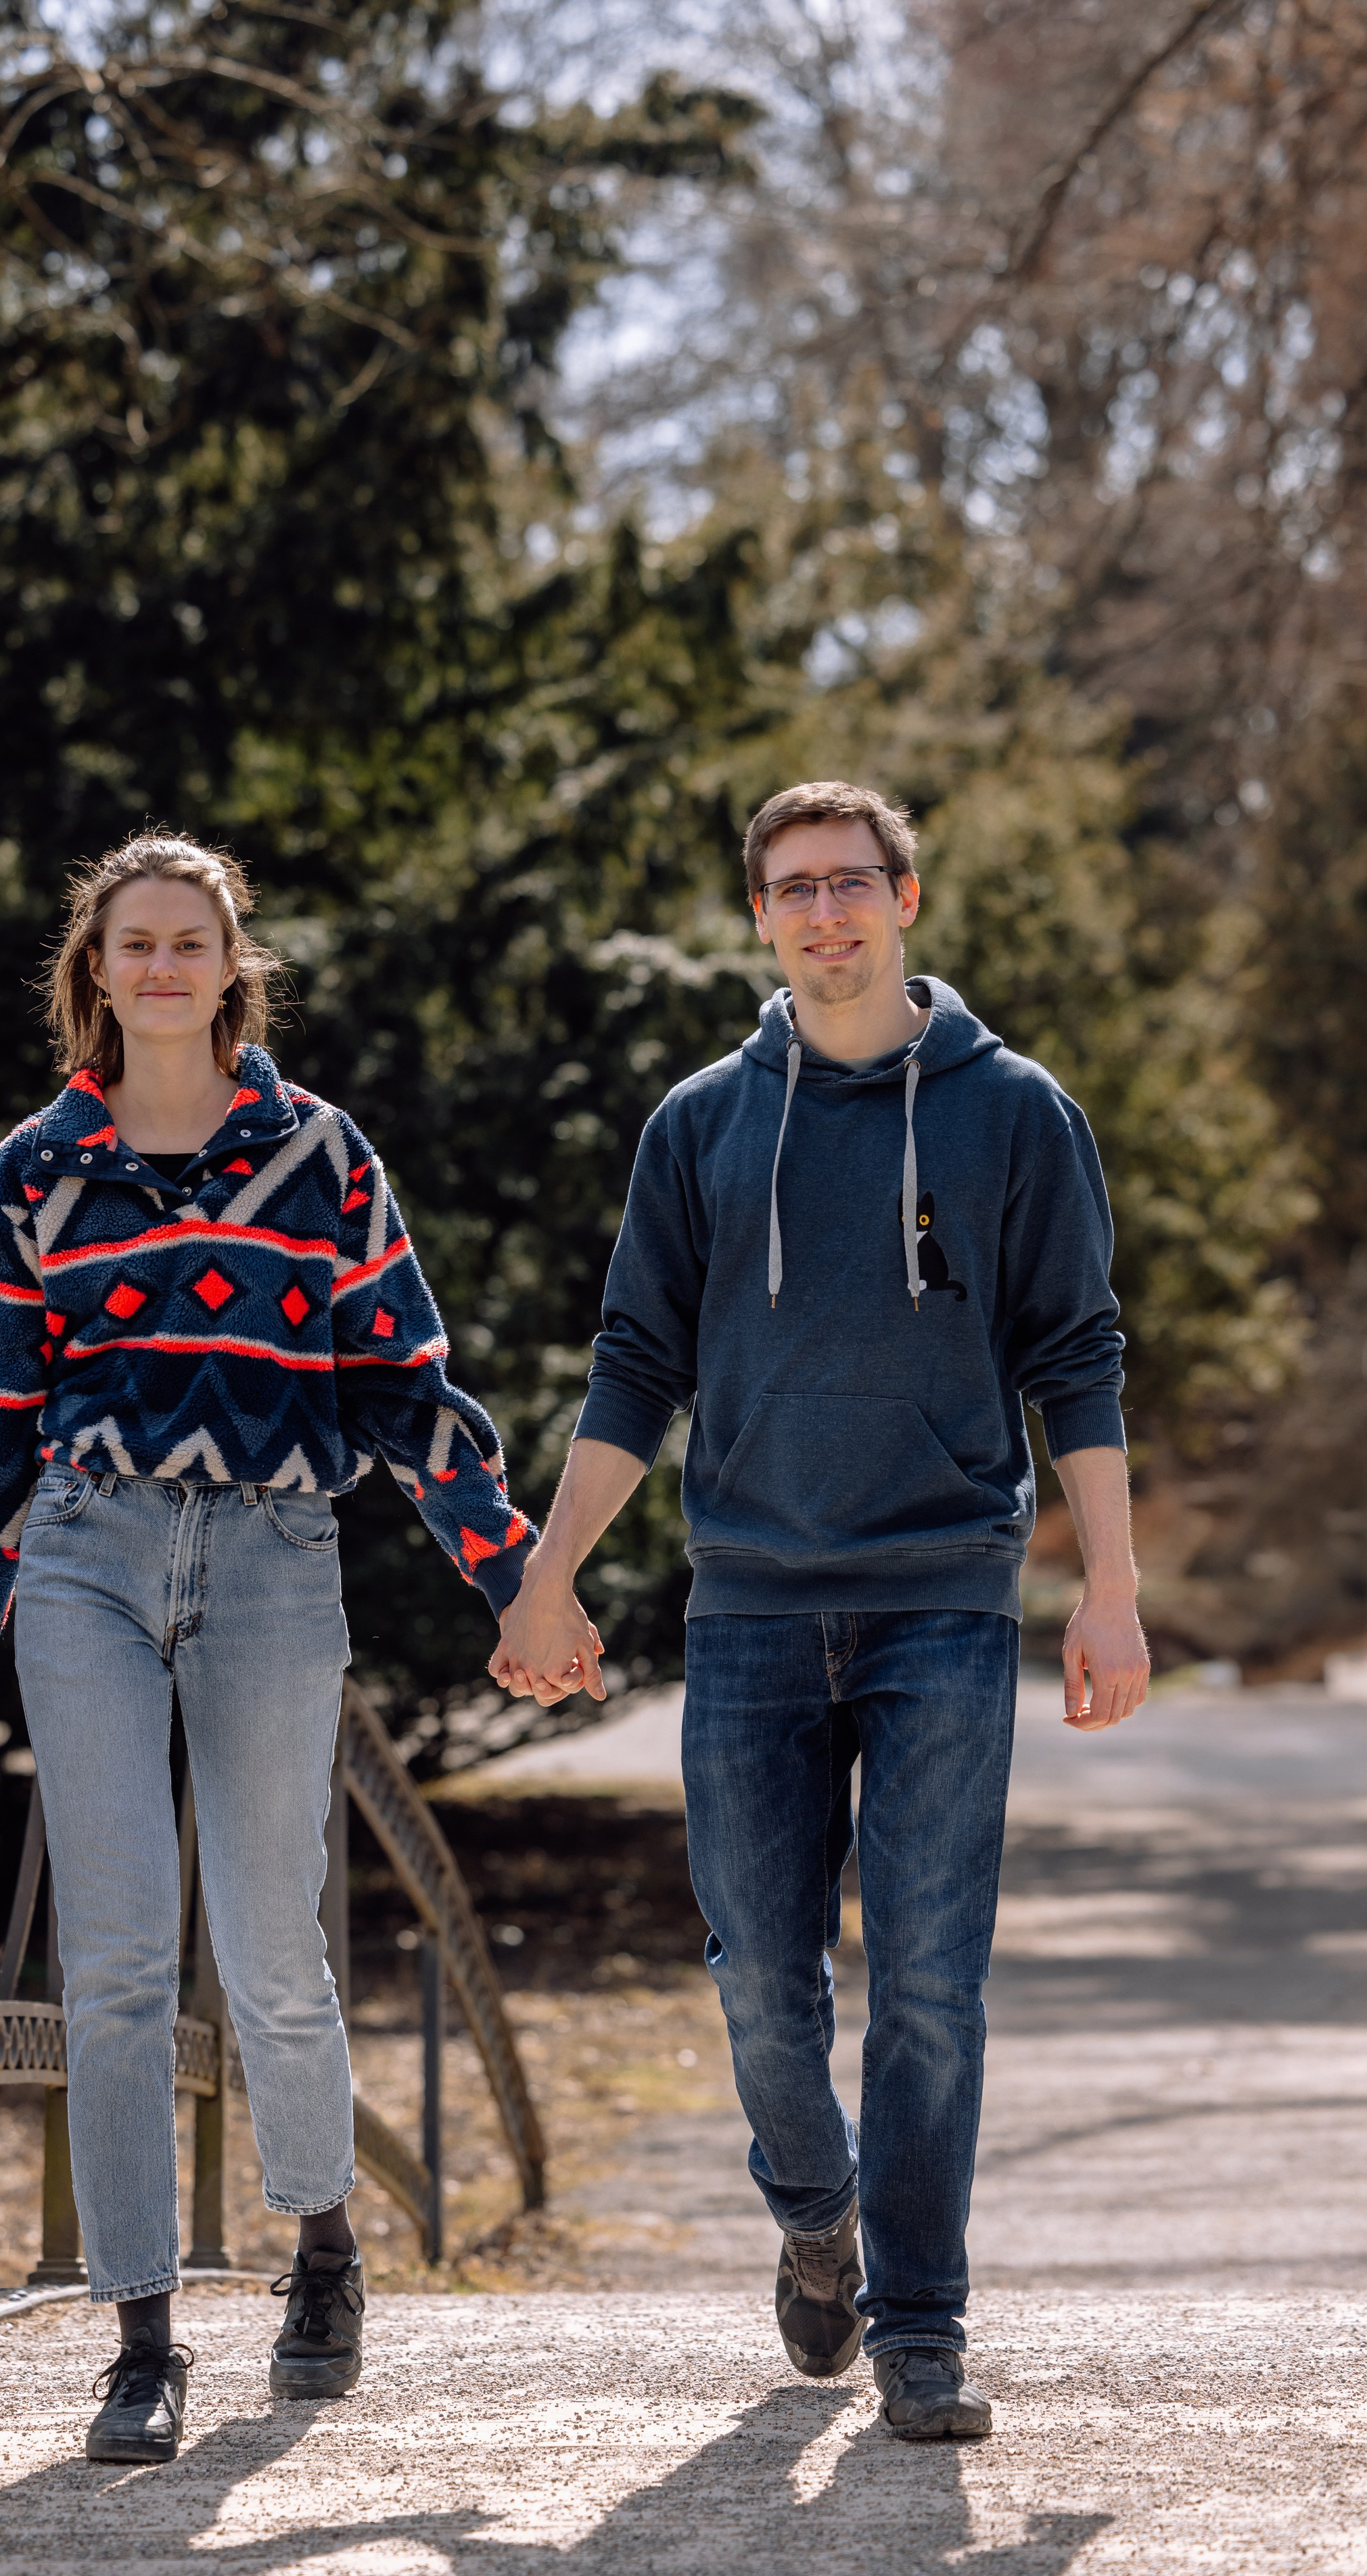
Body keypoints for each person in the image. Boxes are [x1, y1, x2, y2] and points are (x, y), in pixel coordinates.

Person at [491, 780, 1148, 2441]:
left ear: (905, 897)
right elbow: (636, 1361)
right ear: (761, 917)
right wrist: (547, 1563)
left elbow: (1073, 1352)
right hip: (751, 1607)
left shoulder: (1012, 1114)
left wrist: (1111, 1593)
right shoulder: (704, 1122)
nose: (822, 912)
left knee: (930, 1981)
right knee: (755, 1974)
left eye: (850, 881)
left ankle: (920, 2323)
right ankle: (813, 2217)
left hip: (941, 1594)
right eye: (791, 889)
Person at [0, 830, 534, 2463]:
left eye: (193, 940)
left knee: (270, 1945)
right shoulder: (27, 1178)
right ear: (96, 969)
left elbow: (405, 1384)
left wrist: (510, 1574)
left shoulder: (322, 1157)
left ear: (231, 963)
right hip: (85, 1558)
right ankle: (138, 2336)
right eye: (137, 941)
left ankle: (321, 2251)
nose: (166, 965)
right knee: (114, 1957)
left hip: (272, 1554)